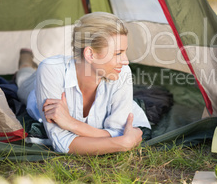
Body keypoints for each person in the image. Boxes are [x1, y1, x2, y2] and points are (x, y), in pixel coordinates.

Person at [15, 12, 151, 155]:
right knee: (22, 81)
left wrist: (71, 123)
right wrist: (123, 143)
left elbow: (118, 131)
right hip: (36, 86)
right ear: (90, 54)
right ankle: (25, 61)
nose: (126, 61)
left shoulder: (123, 72)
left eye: (124, 52)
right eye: (118, 53)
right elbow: (61, 142)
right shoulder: (51, 70)